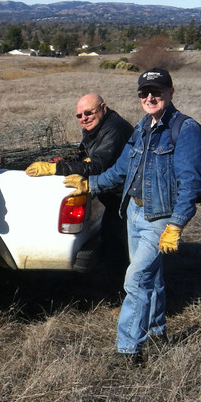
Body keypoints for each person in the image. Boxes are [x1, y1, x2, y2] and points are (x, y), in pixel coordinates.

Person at [64, 68, 201, 363]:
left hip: (159, 217)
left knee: (136, 279)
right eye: (144, 93)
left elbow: (191, 182)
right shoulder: (143, 126)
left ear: (170, 92)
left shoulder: (186, 129)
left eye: (156, 91)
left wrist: (176, 224)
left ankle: (128, 349)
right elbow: (121, 170)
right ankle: (156, 332)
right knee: (151, 279)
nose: (150, 97)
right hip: (134, 212)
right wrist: (91, 185)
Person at [26, 93, 132, 280]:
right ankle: (120, 287)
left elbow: (98, 165)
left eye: (88, 113)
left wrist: (54, 168)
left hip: (126, 200)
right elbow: (86, 153)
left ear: (103, 108)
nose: (84, 118)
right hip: (113, 198)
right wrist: (72, 160)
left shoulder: (114, 129)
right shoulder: (94, 127)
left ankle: (124, 293)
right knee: (112, 240)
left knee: (120, 247)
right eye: (79, 115)